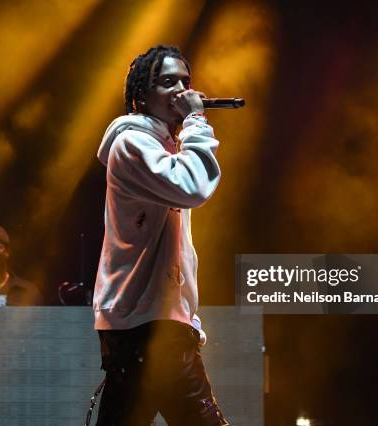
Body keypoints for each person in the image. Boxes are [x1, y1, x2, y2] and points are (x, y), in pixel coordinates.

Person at [93, 45, 229, 425]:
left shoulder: (165, 149)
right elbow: (194, 186)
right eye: (168, 82)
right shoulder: (131, 145)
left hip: (156, 324)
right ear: (141, 95)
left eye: (186, 81)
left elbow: (178, 254)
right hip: (143, 327)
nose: (182, 91)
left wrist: (188, 317)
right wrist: (197, 123)